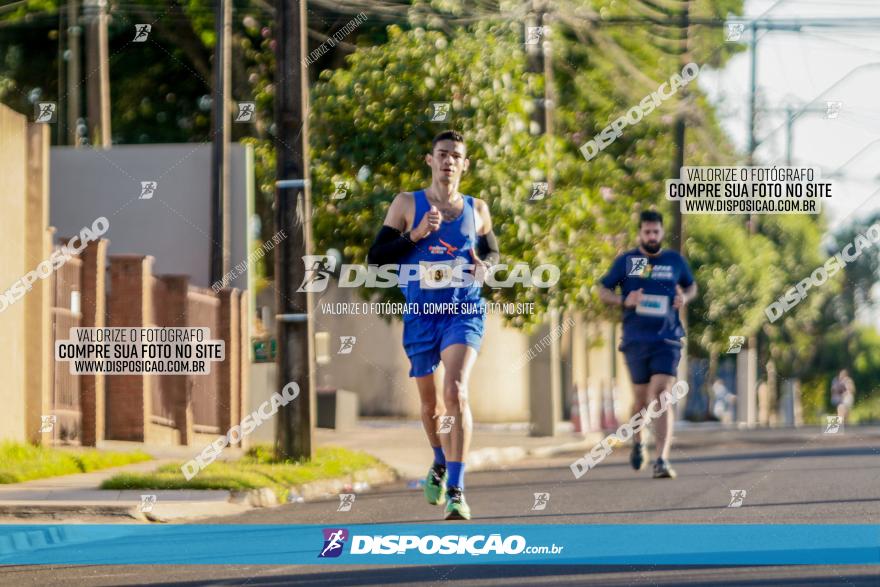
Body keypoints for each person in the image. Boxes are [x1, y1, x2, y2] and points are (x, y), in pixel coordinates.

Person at [367, 130, 499, 520]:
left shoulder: (478, 209)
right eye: (442, 154)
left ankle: (457, 490)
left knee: (456, 390)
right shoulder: (407, 203)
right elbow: (376, 258)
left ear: (465, 164)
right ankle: (439, 460)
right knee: (430, 406)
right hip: (422, 315)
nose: (448, 162)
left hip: (463, 311)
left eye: (456, 156)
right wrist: (416, 234)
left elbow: (491, 250)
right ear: (430, 160)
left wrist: (485, 267)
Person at [598, 210, 698, 479]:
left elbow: (691, 286)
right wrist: (624, 300)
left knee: (662, 394)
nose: (652, 236)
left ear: (662, 233)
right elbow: (603, 289)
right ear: (640, 233)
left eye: (656, 232)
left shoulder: (674, 261)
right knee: (641, 401)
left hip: (667, 338)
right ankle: (639, 440)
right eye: (647, 232)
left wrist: (684, 298)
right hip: (636, 339)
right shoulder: (628, 261)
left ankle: (662, 460)